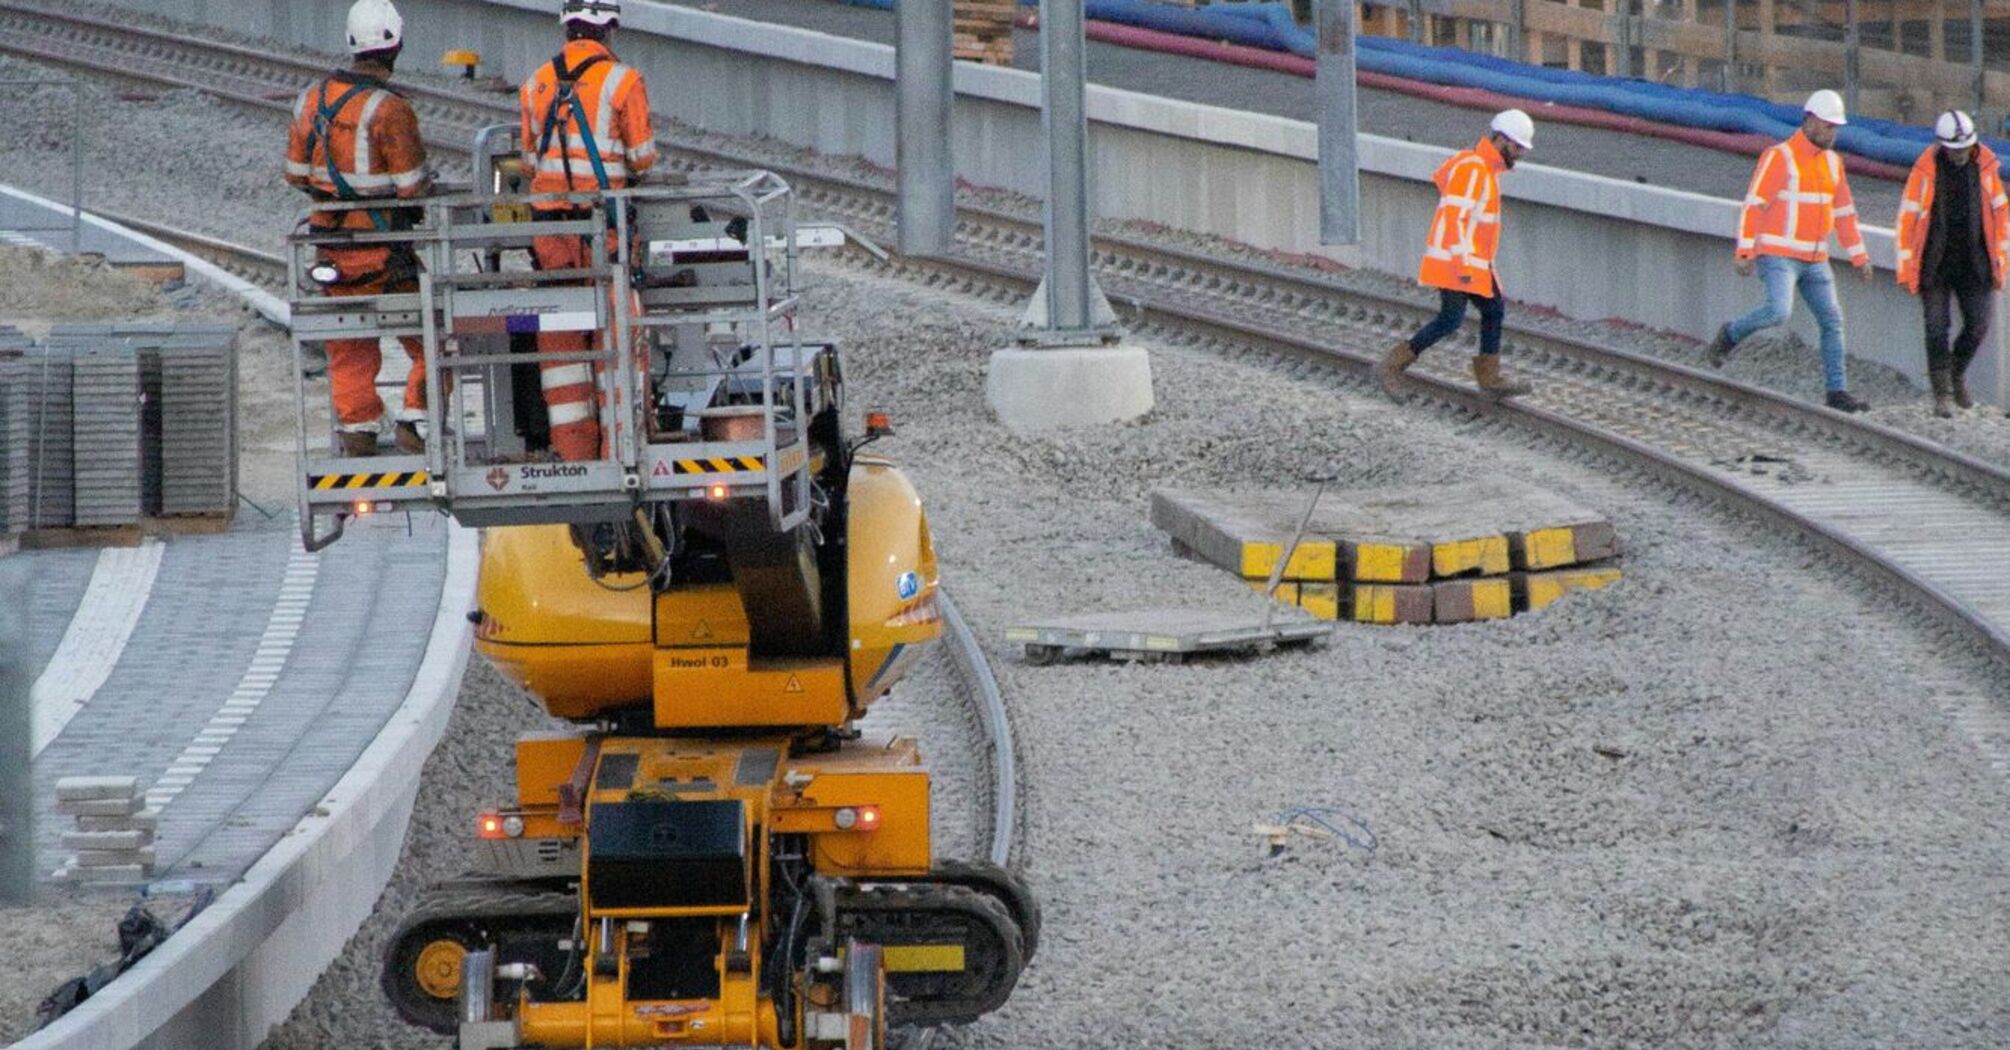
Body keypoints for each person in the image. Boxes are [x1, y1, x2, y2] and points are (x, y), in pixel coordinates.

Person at [284, 0, 434, 457]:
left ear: (352, 44)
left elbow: (295, 174)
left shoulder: (311, 99)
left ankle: (358, 431)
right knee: (434, 335)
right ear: (396, 45)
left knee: (349, 342)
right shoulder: (390, 108)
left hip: (331, 247)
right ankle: (416, 421)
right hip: (385, 251)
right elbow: (411, 186)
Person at [517, 0, 657, 462]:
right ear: (609, 28)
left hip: (551, 240)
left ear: (566, 28)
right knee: (618, 347)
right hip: (605, 235)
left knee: (562, 359)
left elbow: (529, 163)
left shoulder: (535, 82)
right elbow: (642, 160)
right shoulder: (623, 81)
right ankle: (621, 457)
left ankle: (574, 461)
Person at [1707, 89, 1875, 413]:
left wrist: (1860, 257)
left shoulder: (1833, 164)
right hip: (1778, 254)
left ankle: (1837, 392)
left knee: (1832, 321)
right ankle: (1730, 335)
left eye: (1835, 127)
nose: (1832, 133)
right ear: (1809, 121)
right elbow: (1755, 206)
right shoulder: (1779, 157)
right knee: (1778, 312)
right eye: (1827, 125)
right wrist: (1745, 250)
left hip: (1815, 259)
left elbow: (1844, 215)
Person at [1377, 109, 1536, 401]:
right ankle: (1392, 365)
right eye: (1517, 147)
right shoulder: (1473, 169)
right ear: (1501, 140)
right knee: (1450, 320)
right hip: (1456, 263)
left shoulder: (1484, 170)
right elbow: (1455, 219)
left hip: (1472, 263)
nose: (1520, 154)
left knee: (1493, 309)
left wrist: (1485, 270)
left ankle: (1490, 378)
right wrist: (1464, 267)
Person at [1895, 110, 2009, 417]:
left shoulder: (1985, 167)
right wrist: (1906, 268)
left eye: (1965, 149)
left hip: (1975, 263)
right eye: (1955, 150)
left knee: (1978, 325)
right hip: (1935, 263)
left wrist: (2000, 260)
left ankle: (1956, 373)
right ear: (1942, 146)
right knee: (1936, 328)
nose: (1961, 155)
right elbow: (1907, 220)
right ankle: (1942, 394)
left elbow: (2001, 214)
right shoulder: (1925, 171)